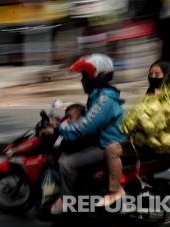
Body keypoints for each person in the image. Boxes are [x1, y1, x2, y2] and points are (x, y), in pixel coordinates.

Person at [49, 54, 127, 214]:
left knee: (67, 163)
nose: (82, 80)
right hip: (102, 139)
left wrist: (60, 128)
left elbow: (84, 127)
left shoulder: (104, 99)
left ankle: (66, 201)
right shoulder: (99, 95)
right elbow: (87, 118)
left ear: (97, 76)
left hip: (106, 143)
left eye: (85, 76)